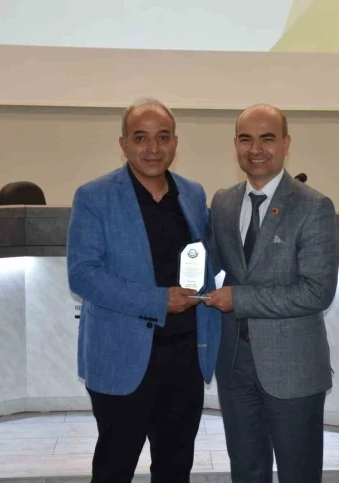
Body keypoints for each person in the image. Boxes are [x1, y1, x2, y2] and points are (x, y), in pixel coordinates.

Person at [66, 98, 220, 483]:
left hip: (185, 358)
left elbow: (206, 260)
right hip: (122, 359)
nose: (153, 148)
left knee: (175, 469)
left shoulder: (193, 194)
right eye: (141, 138)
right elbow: (83, 275)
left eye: (163, 137)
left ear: (175, 142)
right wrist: (158, 301)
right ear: (123, 144)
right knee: (114, 469)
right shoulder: (94, 196)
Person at [204, 104, 339, 483]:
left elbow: (317, 292)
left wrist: (239, 299)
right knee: (246, 471)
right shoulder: (223, 202)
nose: (255, 149)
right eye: (245, 139)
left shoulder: (313, 206)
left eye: (267, 138)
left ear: (286, 143)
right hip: (234, 365)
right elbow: (207, 263)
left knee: (299, 473)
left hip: (293, 368)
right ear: (235, 144)